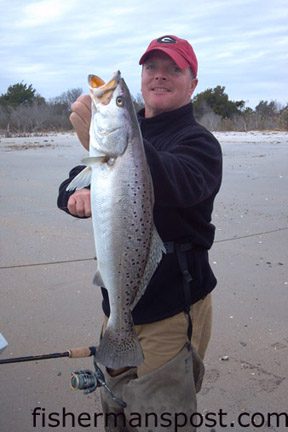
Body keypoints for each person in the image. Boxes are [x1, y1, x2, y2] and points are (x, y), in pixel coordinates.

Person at [57, 35, 222, 431]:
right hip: (119, 304)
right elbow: (69, 185)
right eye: (151, 68)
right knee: (115, 410)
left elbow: (181, 183)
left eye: (173, 69)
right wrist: (77, 197)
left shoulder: (199, 143)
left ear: (193, 82)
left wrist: (122, 148)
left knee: (158, 419)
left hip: (172, 309)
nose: (159, 76)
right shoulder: (121, 138)